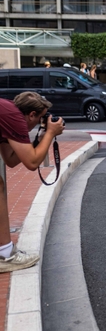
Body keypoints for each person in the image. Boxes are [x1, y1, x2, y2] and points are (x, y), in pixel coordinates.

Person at [0, 92, 65, 272]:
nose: (41, 122)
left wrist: (43, 135)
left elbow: (11, 160)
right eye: (41, 118)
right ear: (31, 115)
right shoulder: (13, 117)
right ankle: (5, 256)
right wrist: (50, 134)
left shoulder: (7, 114)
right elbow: (32, 163)